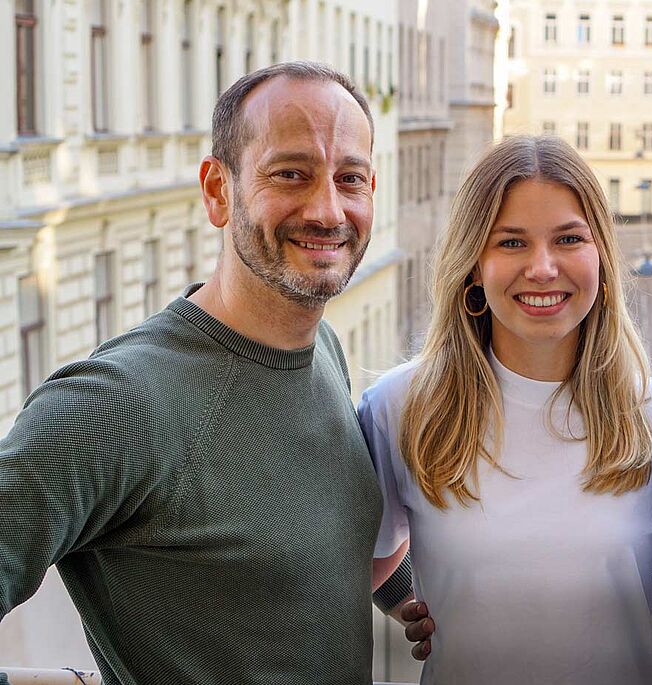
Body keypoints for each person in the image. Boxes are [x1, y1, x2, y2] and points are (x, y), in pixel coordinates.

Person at [0, 62, 413, 683]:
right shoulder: (121, 402)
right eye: (291, 174)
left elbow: (311, 537)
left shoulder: (322, 346)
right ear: (218, 191)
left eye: (349, 179)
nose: (327, 209)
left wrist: (413, 600)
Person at [359, 135, 652, 684]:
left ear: (600, 254)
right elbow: (359, 559)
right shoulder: (402, 407)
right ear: (473, 266)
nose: (542, 267)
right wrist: (407, 605)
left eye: (568, 238)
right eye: (511, 243)